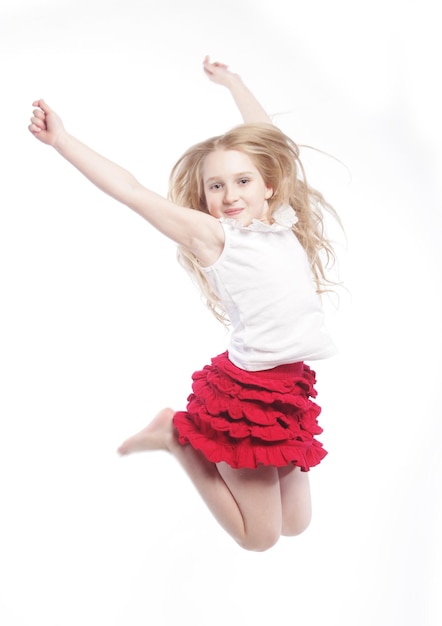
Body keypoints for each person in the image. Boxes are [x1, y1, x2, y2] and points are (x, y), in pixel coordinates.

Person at [28, 56, 340, 552]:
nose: (230, 194)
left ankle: (182, 439)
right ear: (205, 199)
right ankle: (176, 436)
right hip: (249, 397)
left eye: (242, 181)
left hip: (289, 387)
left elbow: (267, 139)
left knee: (296, 524)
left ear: (269, 185)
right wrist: (62, 140)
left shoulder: (281, 219)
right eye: (215, 186)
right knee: (259, 539)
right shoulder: (216, 237)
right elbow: (132, 191)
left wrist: (234, 81)